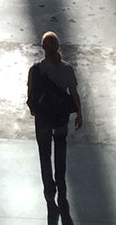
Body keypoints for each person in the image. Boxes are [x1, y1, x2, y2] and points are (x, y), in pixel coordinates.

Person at [27, 31, 83, 208]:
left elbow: (30, 94)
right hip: (60, 116)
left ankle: (49, 189)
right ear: (58, 47)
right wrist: (79, 113)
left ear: (43, 47)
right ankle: (61, 183)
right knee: (60, 149)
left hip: (43, 117)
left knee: (45, 153)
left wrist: (33, 109)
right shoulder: (67, 69)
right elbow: (74, 94)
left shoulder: (36, 70)